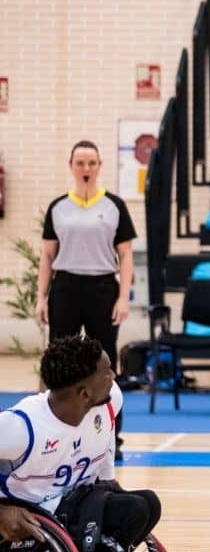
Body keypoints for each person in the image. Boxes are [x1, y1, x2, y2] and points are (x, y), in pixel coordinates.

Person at [0, 336, 162, 552]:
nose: (113, 377)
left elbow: (107, 434)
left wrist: (108, 480)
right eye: (107, 373)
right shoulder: (21, 427)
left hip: (69, 503)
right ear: (84, 393)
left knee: (148, 504)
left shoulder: (111, 398)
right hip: (30, 513)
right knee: (135, 509)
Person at [35, 140, 137, 460]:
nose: (86, 168)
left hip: (102, 288)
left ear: (99, 166)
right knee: (59, 363)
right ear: (71, 166)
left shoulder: (115, 206)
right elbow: (47, 255)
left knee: (104, 364)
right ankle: (54, 437)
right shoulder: (58, 207)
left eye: (91, 162)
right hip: (66, 287)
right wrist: (41, 298)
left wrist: (123, 297)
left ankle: (110, 438)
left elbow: (126, 255)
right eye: (80, 163)